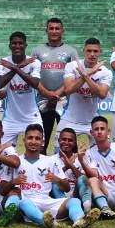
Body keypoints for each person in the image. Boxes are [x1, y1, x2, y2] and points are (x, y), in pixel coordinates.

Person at [12, 124, 101, 228]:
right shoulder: (16, 161)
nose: (33, 141)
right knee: (23, 203)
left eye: (37, 138)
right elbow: (4, 189)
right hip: (29, 202)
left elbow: (66, 187)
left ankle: (79, 220)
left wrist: (57, 180)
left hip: (47, 201)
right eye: (30, 138)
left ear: (42, 142)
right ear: (24, 140)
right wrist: (14, 182)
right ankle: (46, 221)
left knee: (74, 201)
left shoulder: (50, 160)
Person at [31, 18, 79, 154]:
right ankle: (41, 166)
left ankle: (70, 166)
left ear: (62, 31)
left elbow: (75, 76)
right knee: (41, 141)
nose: (54, 31)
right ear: (46, 31)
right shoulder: (37, 51)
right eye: (51, 28)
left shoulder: (71, 51)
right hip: (42, 101)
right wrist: (47, 93)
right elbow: (33, 76)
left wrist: (57, 94)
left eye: (57, 28)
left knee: (67, 140)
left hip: (64, 102)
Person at [58, 38, 112, 145]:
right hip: (69, 120)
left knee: (103, 149)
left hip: (92, 122)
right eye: (89, 51)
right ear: (83, 51)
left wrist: (86, 76)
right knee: (59, 150)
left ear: (100, 52)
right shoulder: (72, 66)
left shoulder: (105, 72)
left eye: (95, 51)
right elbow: (68, 89)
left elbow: (102, 94)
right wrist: (89, 73)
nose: (92, 54)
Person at [80, 116, 115, 220]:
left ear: (108, 131)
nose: (99, 132)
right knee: (93, 180)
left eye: (102, 129)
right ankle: (106, 209)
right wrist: (81, 160)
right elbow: (94, 175)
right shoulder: (89, 152)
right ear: (91, 133)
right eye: (96, 129)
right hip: (105, 194)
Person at [0, 31, 42, 147]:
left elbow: (35, 83)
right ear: (9, 45)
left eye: (20, 43)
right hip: (10, 119)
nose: (17, 46)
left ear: (25, 45)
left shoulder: (34, 62)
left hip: (32, 117)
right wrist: (18, 67)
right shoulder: (2, 62)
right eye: (14, 43)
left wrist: (14, 68)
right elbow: (0, 83)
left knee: (39, 149)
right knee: (2, 151)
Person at [49, 128, 92, 210]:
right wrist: (66, 167)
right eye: (64, 139)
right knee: (55, 183)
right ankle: (66, 207)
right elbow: (50, 180)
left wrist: (71, 166)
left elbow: (85, 180)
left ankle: (87, 207)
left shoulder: (80, 158)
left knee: (83, 179)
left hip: (77, 193)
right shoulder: (50, 159)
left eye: (70, 140)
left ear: (75, 143)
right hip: (60, 194)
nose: (66, 142)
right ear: (58, 140)